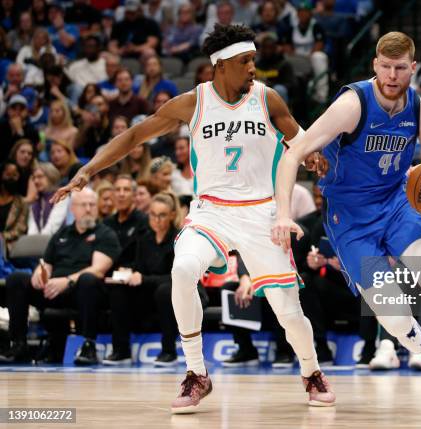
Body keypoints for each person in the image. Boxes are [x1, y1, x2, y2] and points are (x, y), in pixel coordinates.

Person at [52, 24, 335, 412]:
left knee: (288, 309)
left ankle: (311, 371)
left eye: (253, 60)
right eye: (245, 61)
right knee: (182, 269)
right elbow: (135, 136)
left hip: (260, 212)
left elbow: (300, 142)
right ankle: (197, 373)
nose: (253, 67)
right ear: (220, 66)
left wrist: (314, 156)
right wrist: (88, 170)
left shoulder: (268, 100)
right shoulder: (193, 102)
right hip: (210, 211)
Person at [271, 31, 421, 412]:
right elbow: (294, 154)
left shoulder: (419, 108)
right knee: (394, 317)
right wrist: (284, 214)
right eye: (385, 67)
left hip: (396, 204)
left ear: (413, 68)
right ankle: (406, 334)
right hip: (350, 217)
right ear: (374, 65)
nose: (391, 75)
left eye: (400, 68)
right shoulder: (352, 104)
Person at [0, 188, 121, 364]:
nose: (88, 208)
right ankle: (18, 343)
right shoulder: (62, 234)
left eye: (92, 205)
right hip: (54, 290)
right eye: (83, 205)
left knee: (89, 280)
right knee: (17, 279)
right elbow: (47, 265)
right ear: (73, 208)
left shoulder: (105, 234)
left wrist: (67, 281)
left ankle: (89, 345)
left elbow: (98, 270)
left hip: (84, 293)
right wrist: (39, 276)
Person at [104, 192, 186, 366]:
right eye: (153, 215)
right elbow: (140, 270)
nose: (156, 219)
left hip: (179, 294)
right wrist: (128, 273)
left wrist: (143, 279)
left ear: (172, 215)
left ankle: (168, 351)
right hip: (149, 295)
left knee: (164, 291)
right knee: (119, 291)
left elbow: (177, 277)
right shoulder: (144, 238)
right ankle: (121, 350)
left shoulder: (180, 239)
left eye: (162, 215)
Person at [27, 163, 69, 235]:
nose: (36, 181)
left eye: (40, 177)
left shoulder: (61, 196)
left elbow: (52, 228)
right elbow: (32, 230)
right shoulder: (36, 201)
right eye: (34, 178)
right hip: (39, 242)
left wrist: (38, 242)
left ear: (51, 176)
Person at [0, 161, 28, 254]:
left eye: (14, 175)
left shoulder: (21, 202)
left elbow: (20, 228)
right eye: (8, 174)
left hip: (7, 244)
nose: (11, 178)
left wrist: (2, 236)